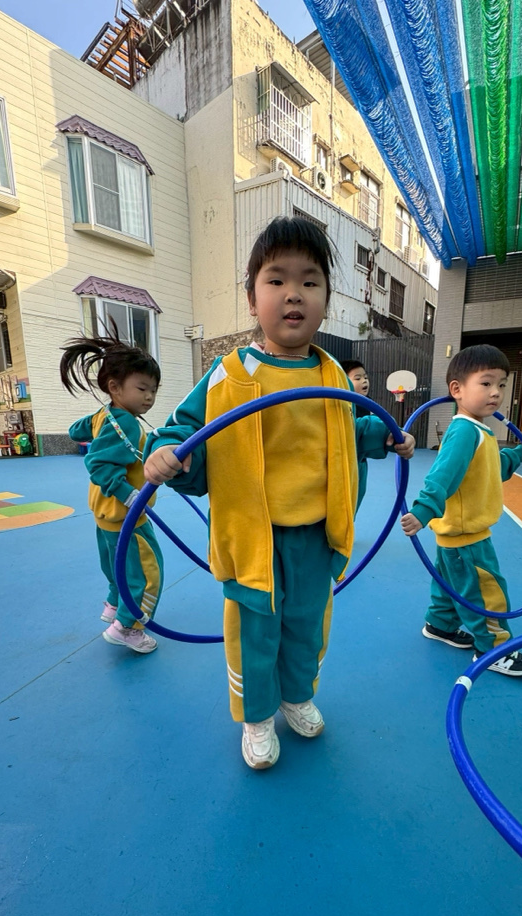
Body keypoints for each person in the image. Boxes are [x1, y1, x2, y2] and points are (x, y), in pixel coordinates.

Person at [144, 216, 415, 768]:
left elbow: (349, 429)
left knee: (307, 624)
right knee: (256, 630)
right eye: (276, 280)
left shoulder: (333, 374)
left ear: (326, 301)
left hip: (315, 533)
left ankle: (296, 695)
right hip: (254, 536)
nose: (294, 293)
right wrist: (168, 453)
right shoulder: (229, 375)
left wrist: (388, 436)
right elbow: (184, 430)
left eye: (310, 281)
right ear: (252, 299)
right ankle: (258, 716)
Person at [400, 343, 522, 677]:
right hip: (468, 538)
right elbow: (442, 475)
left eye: (501, 384)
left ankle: (440, 625)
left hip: (456, 536)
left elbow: (492, 466)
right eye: (486, 383)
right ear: (457, 389)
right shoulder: (465, 431)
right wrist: (423, 511)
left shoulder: (479, 431)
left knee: (450, 585)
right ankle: (492, 649)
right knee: (486, 591)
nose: (496, 392)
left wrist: (518, 454)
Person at [61, 335, 164, 654]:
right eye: (141, 388)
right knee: (146, 574)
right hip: (127, 517)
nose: (149, 396)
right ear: (115, 387)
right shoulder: (127, 424)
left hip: (104, 517)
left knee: (116, 566)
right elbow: (98, 464)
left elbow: (75, 431)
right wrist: (129, 494)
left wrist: (99, 418)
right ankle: (127, 627)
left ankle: (114, 604)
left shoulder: (104, 415)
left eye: (153, 389)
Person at [340, 359, 373, 507]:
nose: (364, 381)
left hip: (360, 460)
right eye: (357, 378)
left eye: (365, 377)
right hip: (345, 460)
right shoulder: (343, 404)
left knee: (357, 495)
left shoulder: (368, 403)